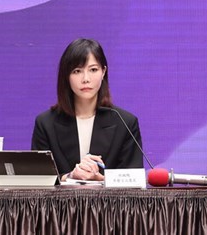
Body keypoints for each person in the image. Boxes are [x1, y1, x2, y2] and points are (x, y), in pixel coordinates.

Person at [32, 38, 143, 181]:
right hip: (59, 204)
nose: (85, 79)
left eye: (93, 70)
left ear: (103, 72)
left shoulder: (126, 123)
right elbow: (38, 181)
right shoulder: (45, 123)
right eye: (77, 71)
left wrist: (99, 179)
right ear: (66, 76)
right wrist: (70, 176)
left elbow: (134, 181)